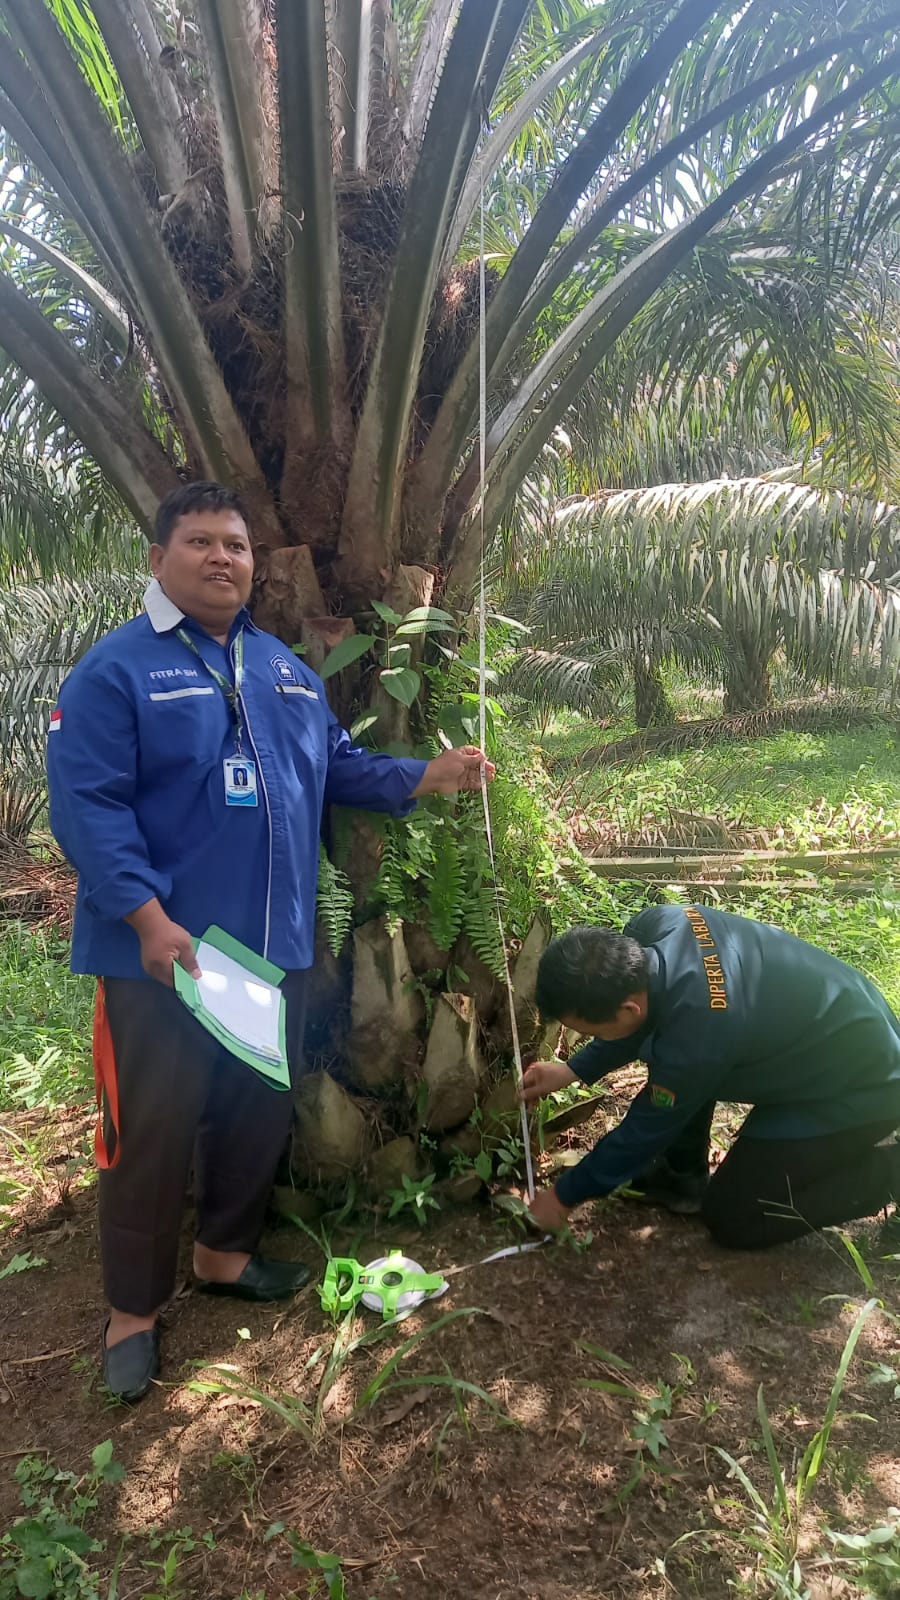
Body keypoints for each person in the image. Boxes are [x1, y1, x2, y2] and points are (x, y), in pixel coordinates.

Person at [47, 480, 494, 1402]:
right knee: (150, 1129)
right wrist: (148, 919)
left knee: (252, 1110)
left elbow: (340, 770)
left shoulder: (286, 673)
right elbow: (87, 810)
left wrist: (430, 776)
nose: (224, 559)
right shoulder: (115, 672)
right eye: (202, 542)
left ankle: (223, 1255)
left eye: (239, 546)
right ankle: (131, 1312)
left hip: (270, 953)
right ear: (159, 558)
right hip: (163, 956)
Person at [522, 903, 900, 1247]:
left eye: (592, 1032)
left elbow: (643, 1131)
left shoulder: (700, 1032)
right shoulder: (657, 924)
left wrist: (563, 1196)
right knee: (676, 1053)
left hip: (859, 1086)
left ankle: (891, 1171)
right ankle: (680, 1178)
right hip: (829, 1031)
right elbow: (638, 1022)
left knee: (735, 1219)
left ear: (626, 1008)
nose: (594, 1040)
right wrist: (572, 1070)